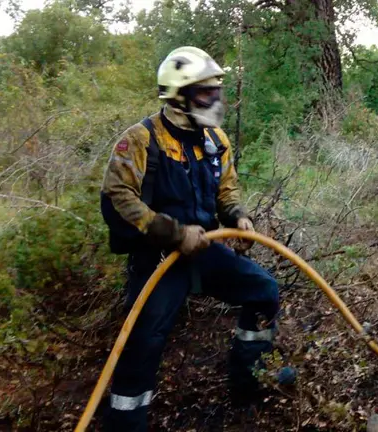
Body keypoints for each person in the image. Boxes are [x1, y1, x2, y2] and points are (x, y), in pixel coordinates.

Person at [100, 46, 286, 431]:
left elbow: (226, 191)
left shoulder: (216, 139)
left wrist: (238, 217)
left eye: (216, 91)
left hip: (205, 249)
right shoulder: (140, 139)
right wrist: (173, 232)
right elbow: (118, 200)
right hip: (157, 260)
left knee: (263, 290)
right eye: (205, 92)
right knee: (142, 339)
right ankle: (125, 422)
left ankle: (247, 380)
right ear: (178, 95)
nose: (214, 100)